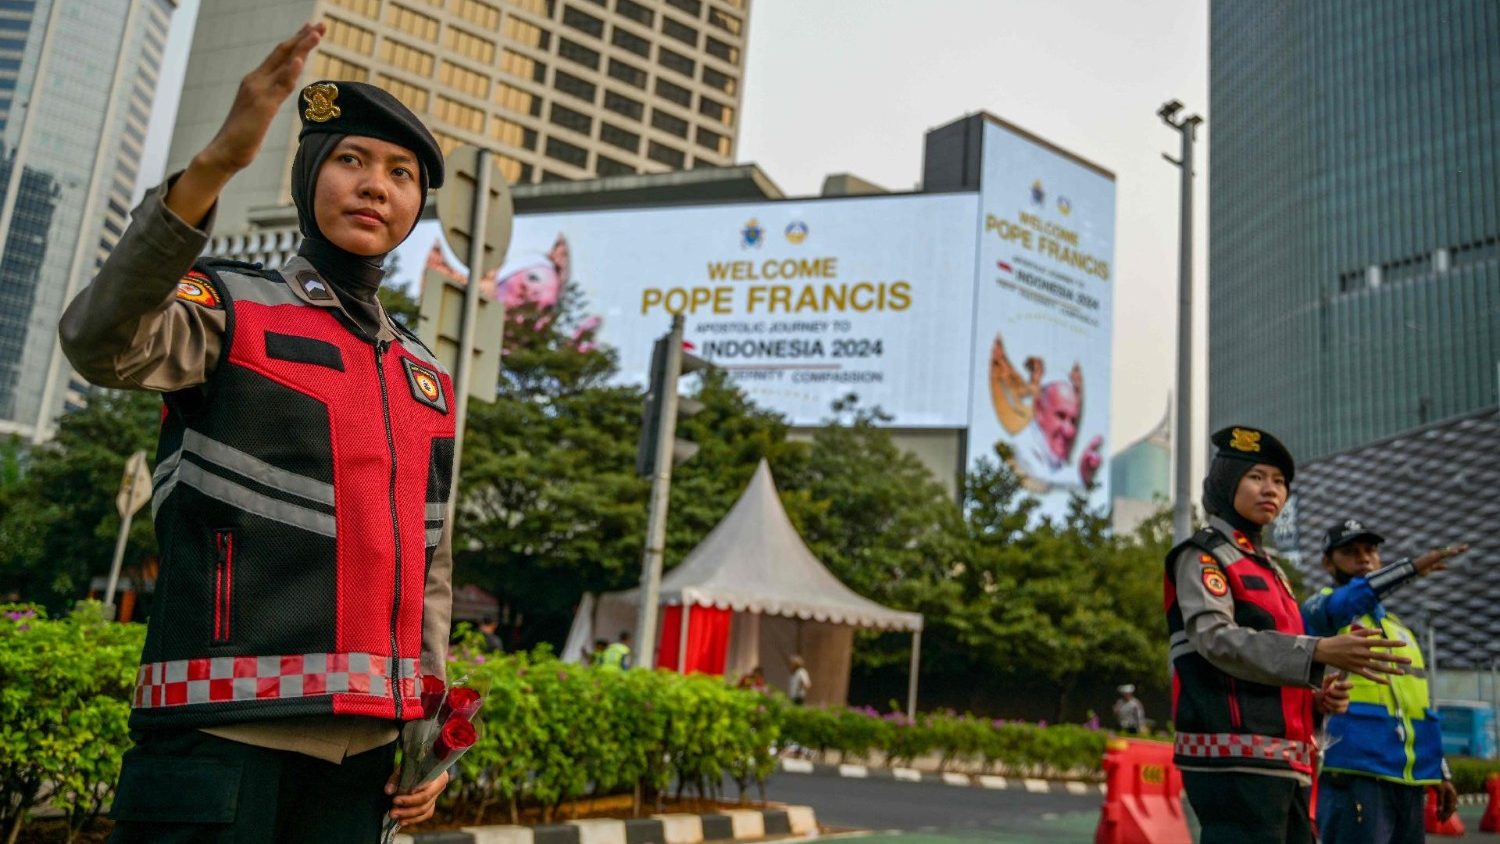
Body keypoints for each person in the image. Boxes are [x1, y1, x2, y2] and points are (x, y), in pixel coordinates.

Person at [60, 25, 454, 841]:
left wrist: (427, 738)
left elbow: (430, 565)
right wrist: (214, 168)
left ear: (417, 206)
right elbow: (99, 342)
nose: (375, 185)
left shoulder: (426, 379)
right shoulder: (229, 306)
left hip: (364, 763)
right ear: (309, 176)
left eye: (401, 173)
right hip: (217, 745)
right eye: (350, 160)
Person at [1165, 426, 1413, 844]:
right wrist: (1317, 651)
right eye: (1257, 477)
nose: (1272, 490)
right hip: (1235, 760)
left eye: (1280, 482)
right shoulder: (1204, 555)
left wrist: (1316, 699)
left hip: (1285, 761)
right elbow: (1216, 639)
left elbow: (1272, 661)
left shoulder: (1270, 569)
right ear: (1227, 483)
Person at [1301, 520, 1469, 843]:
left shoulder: (1400, 630)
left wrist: (1440, 771)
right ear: (1327, 562)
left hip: (1406, 782)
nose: (1363, 558)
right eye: (1350, 552)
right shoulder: (1322, 610)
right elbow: (1351, 599)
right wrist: (1409, 569)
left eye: (1371, 551)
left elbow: (1418, 709)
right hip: (1353, 775)